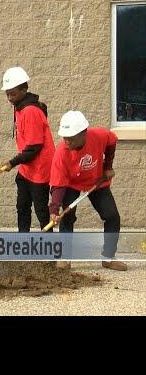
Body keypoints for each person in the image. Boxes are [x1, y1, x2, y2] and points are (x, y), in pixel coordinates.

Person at [49, 110, 127, 271]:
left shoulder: (98, 135)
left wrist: (108, 167)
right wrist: (54, 209)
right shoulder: (61, 153)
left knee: (112, 216)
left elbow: (111, 142)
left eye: (70, 138)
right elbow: (58, 185)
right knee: (67, 217)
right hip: (70, 184)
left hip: (96, 182)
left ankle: (108, 258)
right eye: (64, 137)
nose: (66, 141)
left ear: (83, 133)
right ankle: (65, 258)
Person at [0, 67, 55, 232]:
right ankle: (23, 241)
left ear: (24, 90)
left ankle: (50, 247)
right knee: (22, 206)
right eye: (7, 94)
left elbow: (34, 148)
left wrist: (12, 162)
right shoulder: (19, 108)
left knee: (41, 209)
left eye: (13, 94)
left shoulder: (31, 111)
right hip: (26, 168)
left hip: (39, 169)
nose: (10, 98)